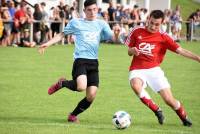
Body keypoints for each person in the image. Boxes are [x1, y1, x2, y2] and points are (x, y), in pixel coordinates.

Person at [38, 0, 116, 123]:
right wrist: (47, 44)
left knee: (91, 96)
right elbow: (61, 35)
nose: (92, 12)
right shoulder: (76, 23)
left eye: (94, 9)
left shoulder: (102, 24)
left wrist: (115, 33)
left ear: (97, 10)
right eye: (89, 10)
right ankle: (62, 84)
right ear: (84, 11)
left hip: (94, 62)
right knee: (80, 87)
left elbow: (112, 38)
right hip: (80, 60)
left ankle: (72, 115)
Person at [125, 10, 200, 127]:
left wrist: (198, 58)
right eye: (152, 23)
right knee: (135, 85)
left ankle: (184, 117)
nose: (153, 26)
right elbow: (129, 51)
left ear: (162, 23)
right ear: (148, 19)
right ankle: (157, 110)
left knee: (169, 100)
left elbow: (181, 51)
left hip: (154, 70)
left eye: (157, 24)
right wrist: (132, 50)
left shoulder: (164, 37)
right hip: (137, 69)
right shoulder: (136, 31)